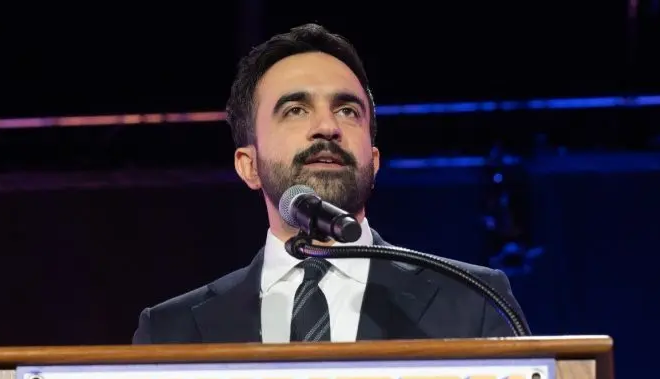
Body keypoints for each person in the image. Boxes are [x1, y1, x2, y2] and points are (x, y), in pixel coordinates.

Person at [132, 23, 528, 345]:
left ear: (374, 161)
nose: (327, 126)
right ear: (248, 165)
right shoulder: (170, 331)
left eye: (347, 110)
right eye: (295, 110)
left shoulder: (474, 300)